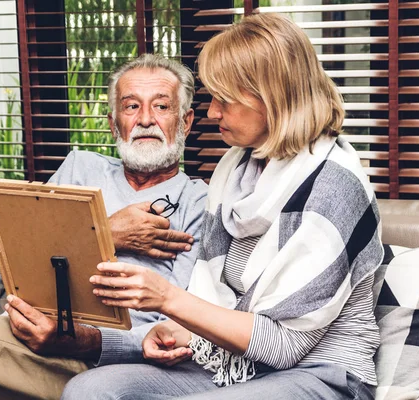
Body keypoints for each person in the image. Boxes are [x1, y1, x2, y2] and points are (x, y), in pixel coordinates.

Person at [62, 13, 384, 400]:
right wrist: (178, 330)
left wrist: (166, 298)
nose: (212, 112)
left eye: (224, 99)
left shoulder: (333, 185)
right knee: (89, 391)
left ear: (274, 98)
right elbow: (227, 301)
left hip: (321, 373)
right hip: (233, 364)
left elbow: (284, 346)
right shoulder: (235, 169)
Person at [0, 54, 207, 400]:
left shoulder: (198, 202)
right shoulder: (80, 169)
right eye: (131, 106)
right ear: (113, 122)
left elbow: (182, 326)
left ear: (186, 121)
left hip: (100, 364)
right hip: (19, 339)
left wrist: (80, 339)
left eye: (162, 106)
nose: (145, 119)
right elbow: (2, 267)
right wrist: (106, 231)